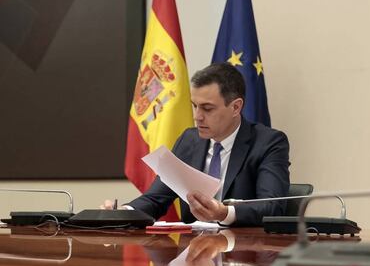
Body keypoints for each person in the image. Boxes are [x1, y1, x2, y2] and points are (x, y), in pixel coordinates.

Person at [103, 62, 290, 227]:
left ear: (235, 107)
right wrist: (123, 212)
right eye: (195, 106)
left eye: (207, 109)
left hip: (244, 254)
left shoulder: (268, 143)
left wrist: (224, 214)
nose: (197, 116)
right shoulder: (189, 140)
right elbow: (155, 199)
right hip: (193, 254)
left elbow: (272, 206)